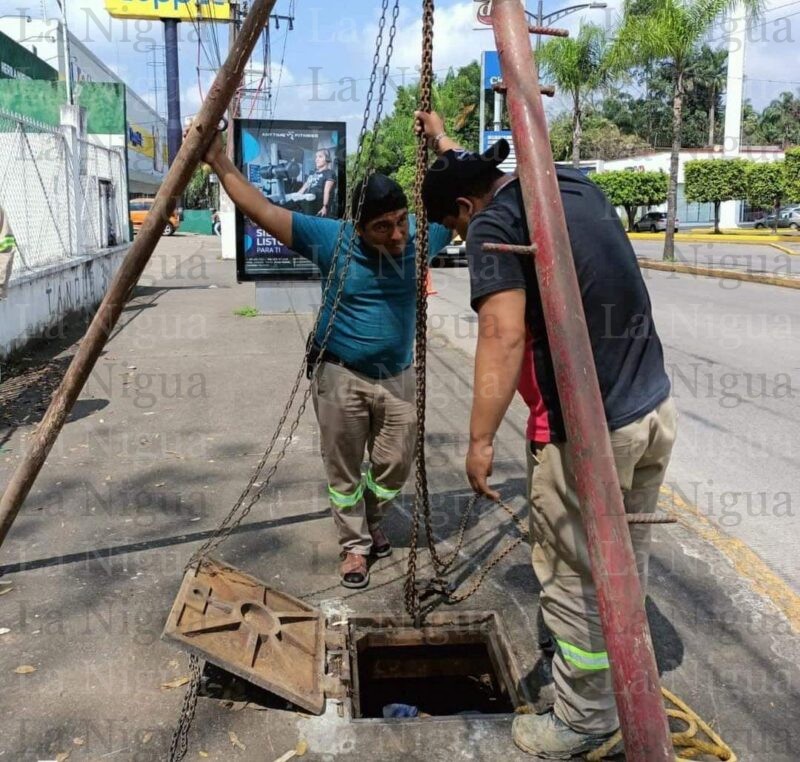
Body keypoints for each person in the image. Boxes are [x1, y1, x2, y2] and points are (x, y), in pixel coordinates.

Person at [417, 110, 676, 759]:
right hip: (650, 409)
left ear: (466, 207)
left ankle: (585, 721)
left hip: (586, 434)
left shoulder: (493, 225)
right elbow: (474, 173)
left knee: (572, 574)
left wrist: (479, 443)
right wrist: (443, 139)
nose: (461, 236)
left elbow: (502, 335)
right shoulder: (564, 181)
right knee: (624, 560)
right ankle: (620, 674)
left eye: (455, 225)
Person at [200, 128, 452, 589]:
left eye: (401, 221)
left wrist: (439, 138)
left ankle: (372, 517)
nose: (397, 234)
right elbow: (262, 209)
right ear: (359, 226)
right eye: (383, 227)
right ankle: (355, 545)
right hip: (340, 373)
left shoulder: (423, 237)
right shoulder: (331, 239)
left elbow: (466, 186)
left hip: (397, 376)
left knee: (395, 465)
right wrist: (218, 161)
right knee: (344, 468)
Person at [296, 149, 336, 216]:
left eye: (320, 156)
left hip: (317, 207)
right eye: (316, 157)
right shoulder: (312, 172)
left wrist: (325, 207)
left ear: (327, 159)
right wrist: (295, 197)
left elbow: (327, 191)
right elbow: (305, 186)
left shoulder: (330, 173)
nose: (316, 159)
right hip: (307, 204)